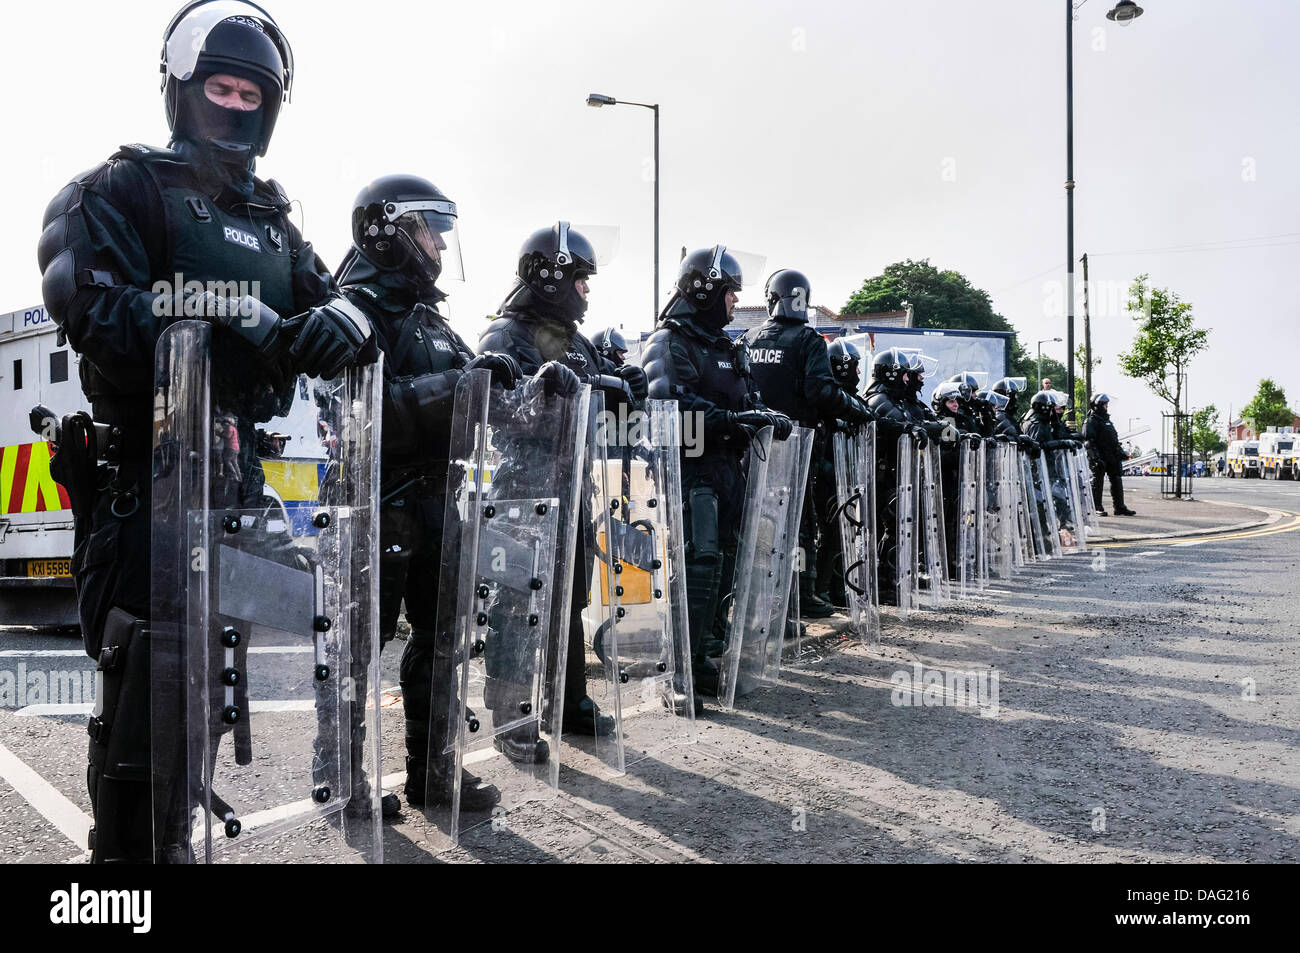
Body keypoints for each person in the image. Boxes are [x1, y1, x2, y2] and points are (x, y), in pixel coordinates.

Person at [36, 1, 374, 863]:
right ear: (181, 93)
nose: (233, 106)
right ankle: (124, 871)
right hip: (144, 481)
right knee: (146, 684)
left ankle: (174, 838)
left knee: (206, 688)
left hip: (233, 485)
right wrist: (232, 313)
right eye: (217, 86)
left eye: (249, 93)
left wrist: (343, 319)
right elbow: (97, 308)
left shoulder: (271, 219)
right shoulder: (119, 188)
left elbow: (336, 294)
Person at [336, 174, 520, 814]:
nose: (440, 246)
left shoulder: (434, 322)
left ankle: (434, 773)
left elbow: (484, 392)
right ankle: (347, 782)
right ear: (389, 231)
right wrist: (460, 385)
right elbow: (366, 411)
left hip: (440, 502)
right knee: (358, 647)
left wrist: (531, 391)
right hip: (376, 500)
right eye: (428, 231)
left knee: (444, 641)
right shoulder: (354, 312)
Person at [478, 222, 647, 739]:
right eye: (580, 279)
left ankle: (568, 700)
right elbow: (501, 412)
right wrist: (543, 389)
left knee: (569, 598)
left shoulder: (577, 343)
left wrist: (626, 390)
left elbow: (597, 407)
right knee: (517, 600)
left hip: (572, 487)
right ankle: (511, 713)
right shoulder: (504, 336)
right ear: (551, 277)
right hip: (523, 494)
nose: (587, 290)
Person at [642, 246, 791, 705]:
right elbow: (668, 405)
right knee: (698, 564)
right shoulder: (669, 342)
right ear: (705, 289)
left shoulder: (728, 347)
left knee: (727, 561)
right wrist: (731, 420)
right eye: (729, 292)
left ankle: (704, 657)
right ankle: (676, 668)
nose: (733, 301)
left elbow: (745, 400)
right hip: (691, 470)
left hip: (729, 469)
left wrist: (762, 415)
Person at [742, 270, 871, 618]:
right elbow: (821, 391)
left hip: (752, 445)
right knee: (799, 521)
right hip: (797, 445)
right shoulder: (808, 340)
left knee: (756, 522)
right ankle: (796, 594)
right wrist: (858, 410)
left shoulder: (748, 338)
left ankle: (757, 595)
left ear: (772, 298)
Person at [814, 338, 869, 608]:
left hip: (843, 476)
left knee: (844, 535)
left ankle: (838, 588)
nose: (858, 373)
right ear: (844, 366)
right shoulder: (827, 398)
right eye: (855, 367)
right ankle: (821, 588)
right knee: (832, 535)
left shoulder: (848, 399)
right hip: (827, 477)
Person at [1083, 393, 1136, 515]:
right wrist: (1095, 457)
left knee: (1116, 479)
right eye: (1105, 404)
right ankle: (1096, 507)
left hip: (1111, 455)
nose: (1107, 407)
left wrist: (1121, 453)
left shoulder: (1106, 420)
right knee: (1097, 480)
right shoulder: (1091, 421)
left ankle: (1119, 507)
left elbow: (1113, 439)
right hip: (1100, 455)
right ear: (1098, 406)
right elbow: (1088, 441)